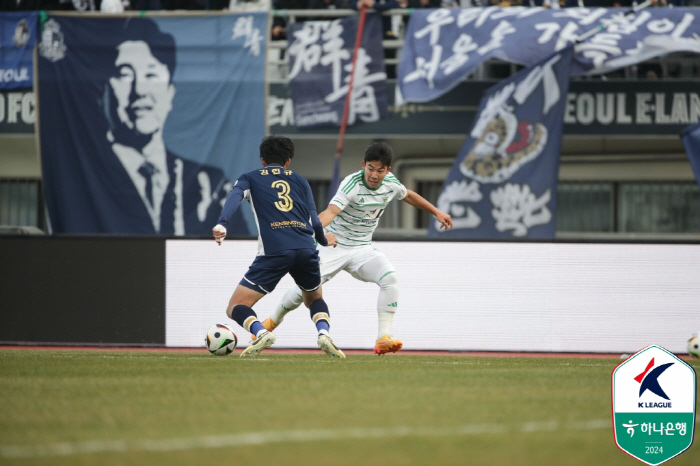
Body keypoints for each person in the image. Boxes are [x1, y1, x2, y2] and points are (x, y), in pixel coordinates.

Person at [258, 142, 453, 355]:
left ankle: (382, 338)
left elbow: (408, 195)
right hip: (333, 245)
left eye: (380, 170)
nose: (374, 175)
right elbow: (331, 212)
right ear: (363, 165)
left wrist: (436, 212)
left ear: (388, 170)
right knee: (304, 290)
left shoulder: (391, 183)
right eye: (370, 168)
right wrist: (308, 232)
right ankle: (272, 321)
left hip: (361, 249)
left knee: (390, 279)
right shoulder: (351, 184)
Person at [213, 135, 344, 358]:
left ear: (263, 160)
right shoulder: (301, 181)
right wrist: (323, 241)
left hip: (275, 251)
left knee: (235, 306)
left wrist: (222, 224)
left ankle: (261, 332)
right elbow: (314, 222)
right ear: (288, 161)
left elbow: (235, 196)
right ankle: (324, 334)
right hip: (305, 248)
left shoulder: (250, 178)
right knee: (315, 299)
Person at [101, 19, 235, 235]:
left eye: (151, 75)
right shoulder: (86, 176)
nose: (140, 90)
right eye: (125, 75)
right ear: (105, 90)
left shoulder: (209, 186)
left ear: (170, 91)